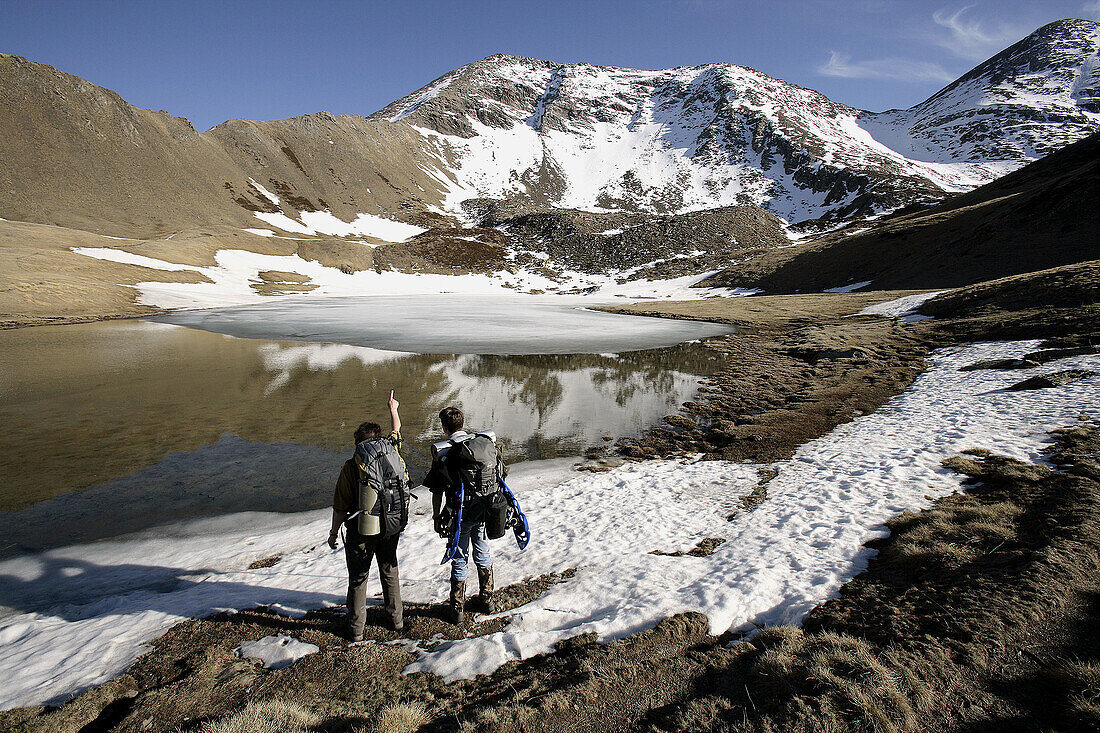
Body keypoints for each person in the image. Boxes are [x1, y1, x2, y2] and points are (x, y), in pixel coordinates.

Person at [328, 390, 406, 640]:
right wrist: (393, 408)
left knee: (359, 577)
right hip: (391, 523)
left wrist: (332, 533)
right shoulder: (391, 450)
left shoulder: (353, 465)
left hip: (362, 528)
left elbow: (340, 507)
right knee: (389, 570)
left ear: (359, 442)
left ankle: (356, 629)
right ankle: (396, 621)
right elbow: (397, 429)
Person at [423, 405, 508, 625]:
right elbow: (500, 473)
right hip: (483, 510)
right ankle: (487, 599)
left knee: (460, 557)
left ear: (444, 428)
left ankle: (457, 610)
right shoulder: (481, 444)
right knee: (482, 549)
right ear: (462, 423)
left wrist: (435, 517)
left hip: (459, 514)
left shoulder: (446, 452)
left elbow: (437, 490)